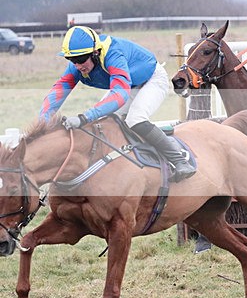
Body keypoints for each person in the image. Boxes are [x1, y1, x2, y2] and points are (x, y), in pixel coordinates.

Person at [40, 25, 196, 182]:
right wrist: (43, 122)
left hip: (152, 79)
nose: (78, 66)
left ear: (95, 53)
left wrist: (84, 117)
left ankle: (179, 160)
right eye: (72, 60)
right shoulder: (77, 66)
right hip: (127, 85)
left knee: (135, 119)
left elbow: (120, 94)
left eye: (81, 59)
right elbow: (58, 92)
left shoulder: (113, 54)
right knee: (100, 124)